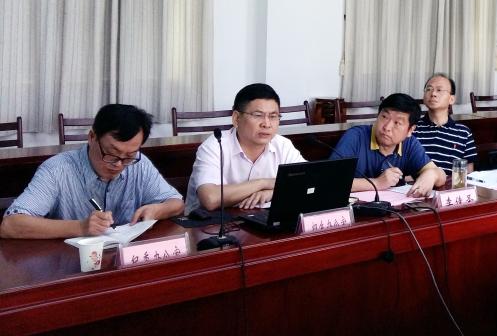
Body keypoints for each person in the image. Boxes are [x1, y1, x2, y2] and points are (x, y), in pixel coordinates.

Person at [1, 104, 183, 240]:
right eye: (111, 153)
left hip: (123, 263)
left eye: (129, 156)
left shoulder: (139, 164)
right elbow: (10, 225)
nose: (118, 164)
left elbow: (176, 203)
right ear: (92, 137)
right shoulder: (57, 170)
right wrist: (80, 227)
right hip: (71, 266)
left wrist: (157, 210)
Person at [185, 83, 306, 215]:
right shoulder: (215, 145)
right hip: (210, 222)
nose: (266, 124)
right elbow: (210, 199)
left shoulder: (283, 145)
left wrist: (273, 192)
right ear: (236, 118)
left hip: (259, 217)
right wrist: (263, 183)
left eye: (273, 116)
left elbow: (309, 181)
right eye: (258, 115)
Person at [330, 93, 446, 197]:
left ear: (410, 130)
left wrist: (432, 174)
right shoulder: (355, 137)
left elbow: (441, 176)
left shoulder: (409, 144)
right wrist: (377, 183)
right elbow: (331, 181)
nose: (387, 127)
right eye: (384, 117)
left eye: (397, 123)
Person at [415, 73, 476, 176]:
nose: (433, 94)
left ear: (451, 99)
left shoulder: (463, 132)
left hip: (452, 185)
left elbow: (468, 173)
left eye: (439, 90)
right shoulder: (412, 129)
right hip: (419, 185)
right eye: (428, 89)